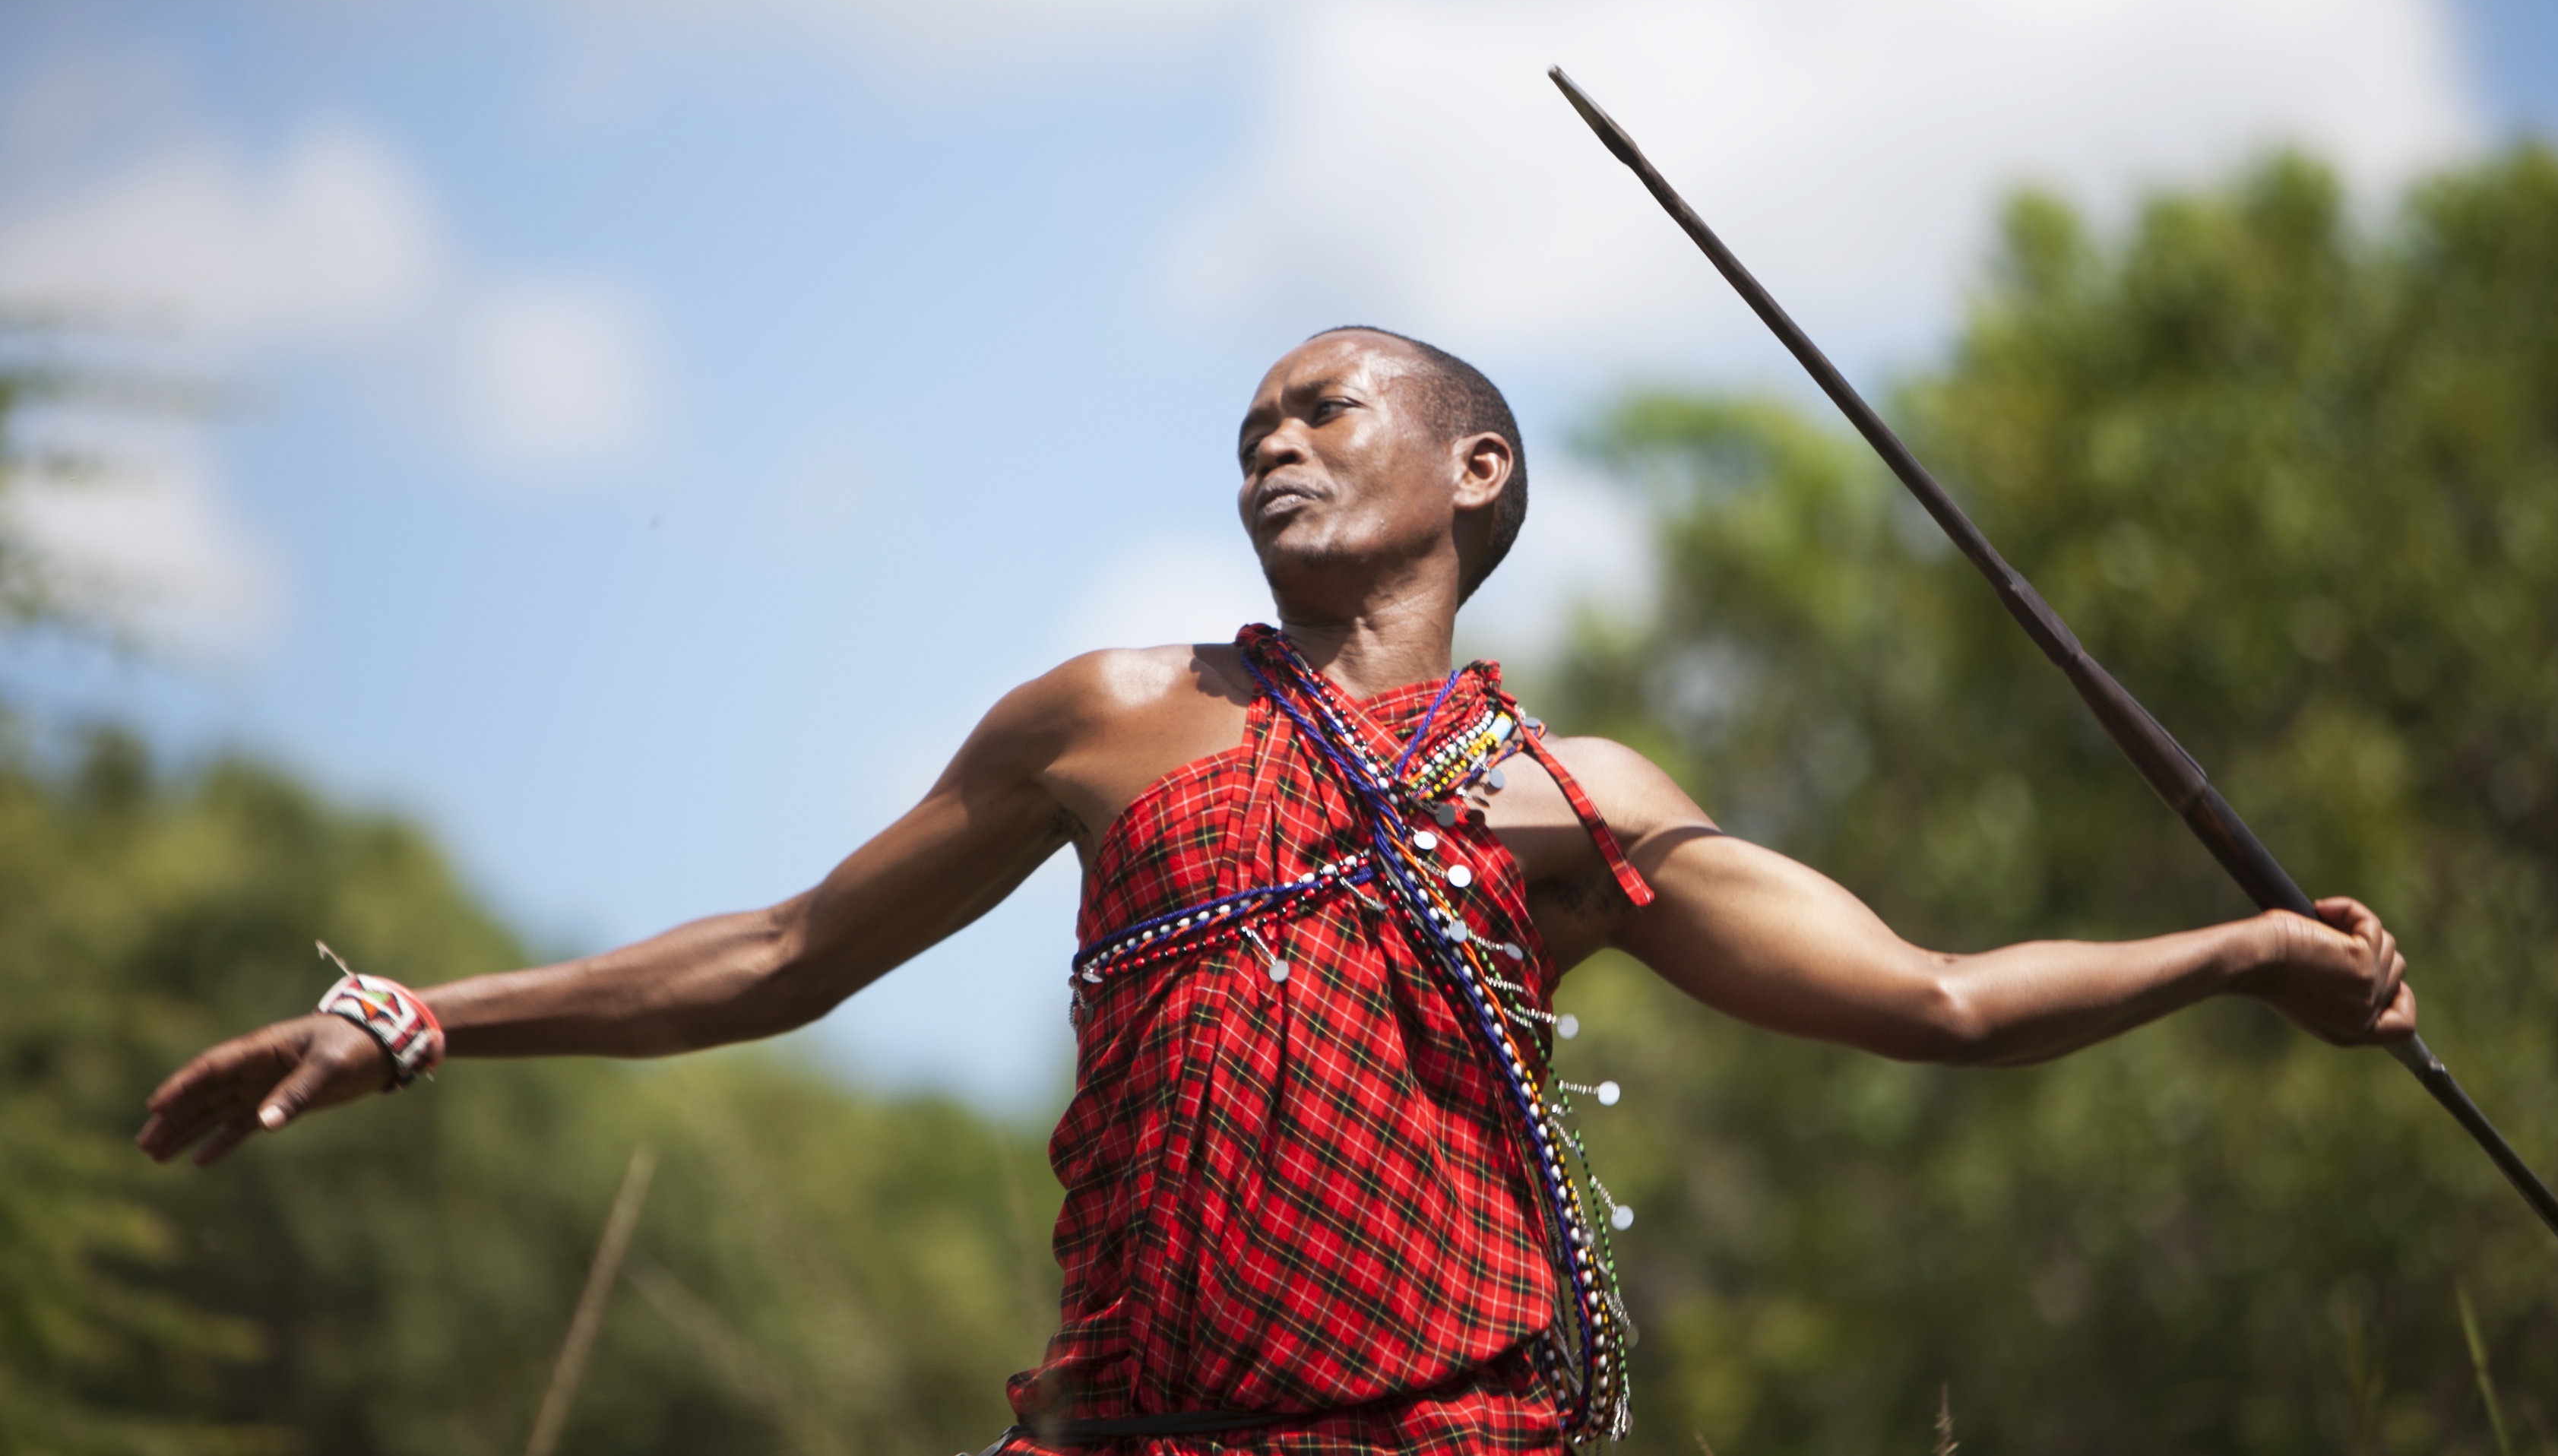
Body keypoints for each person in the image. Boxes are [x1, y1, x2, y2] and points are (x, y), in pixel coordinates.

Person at [137, 326, 2417, 1453]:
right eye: (1253, 425)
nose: (1279, 439)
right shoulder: (1111, 719)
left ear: (1474, 471)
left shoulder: (1559, 795)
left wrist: (2234, 951)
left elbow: (1931, 998)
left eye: (1331, 407)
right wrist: (418, 1016)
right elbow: (778, 953)